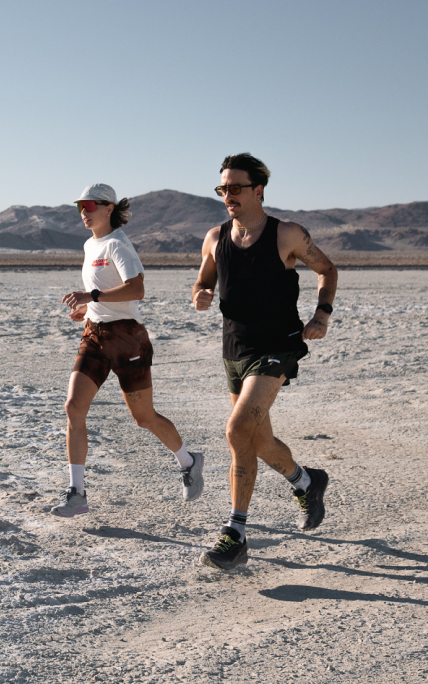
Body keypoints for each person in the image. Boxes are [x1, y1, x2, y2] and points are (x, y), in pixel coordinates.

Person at [192, 153, 337, 570]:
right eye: (222, 189)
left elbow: (327, 270)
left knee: (237, 430)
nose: (227, 196)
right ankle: (306, 482)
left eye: (235, 188)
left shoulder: (287, 234)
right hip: (234, 349)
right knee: (258, 441)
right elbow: (204, 278)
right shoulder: (214, 237)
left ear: (258, 190)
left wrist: (321, 315)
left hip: (277, 345)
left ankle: (235, 533)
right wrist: (200, 293)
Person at [52, 183, 205, 518]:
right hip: (94, 336)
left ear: (109, 208)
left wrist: (92, 298)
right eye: (80, 205)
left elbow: (137, 289)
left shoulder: (119, 244)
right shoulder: (89, 244)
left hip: (127, 339)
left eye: (90, 205)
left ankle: (189, 462)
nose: (84, 211)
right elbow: (105, 291)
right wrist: (88, 311)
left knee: (143, 417)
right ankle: (77, 493)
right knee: (74, 408)